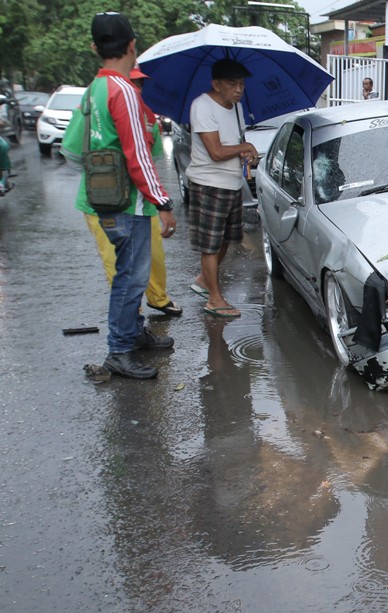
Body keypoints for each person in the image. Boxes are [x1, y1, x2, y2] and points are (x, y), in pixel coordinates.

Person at [61, 11, 177, 380]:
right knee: (130, 278)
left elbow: (76, 150)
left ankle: (131, 335)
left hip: (104, 199)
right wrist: (163, 203)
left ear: (96, 48)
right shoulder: (123, 90)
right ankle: (120, 350)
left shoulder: (94, 89)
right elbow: (138, 156)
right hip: (128, 203)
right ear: (132, 45)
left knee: (128, 275)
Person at [84, 65, 181, 317]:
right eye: (132, 83)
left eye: (140, 85)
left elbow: (151, 160)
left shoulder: (148, 118)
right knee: (118, 267)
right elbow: (74, 153)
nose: (136, 89)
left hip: (142, 199)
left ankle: (157, 299)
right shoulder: (93, 107)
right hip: (104, 203)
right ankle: (130, 320)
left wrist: (159, 201)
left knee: (151, 257)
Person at [186, 58, 258, 319]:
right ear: (216, 84)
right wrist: (245, 148)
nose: (238, 89)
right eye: (232, 84)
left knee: (227, 240)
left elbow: (235, 143)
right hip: (209, 184)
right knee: (211, 245)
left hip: (231, 183)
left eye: (241, 84)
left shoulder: (236, 108)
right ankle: (214, 300)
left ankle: (204, 281)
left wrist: (249, 154)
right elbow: (215, 151)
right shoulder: (202, 106)